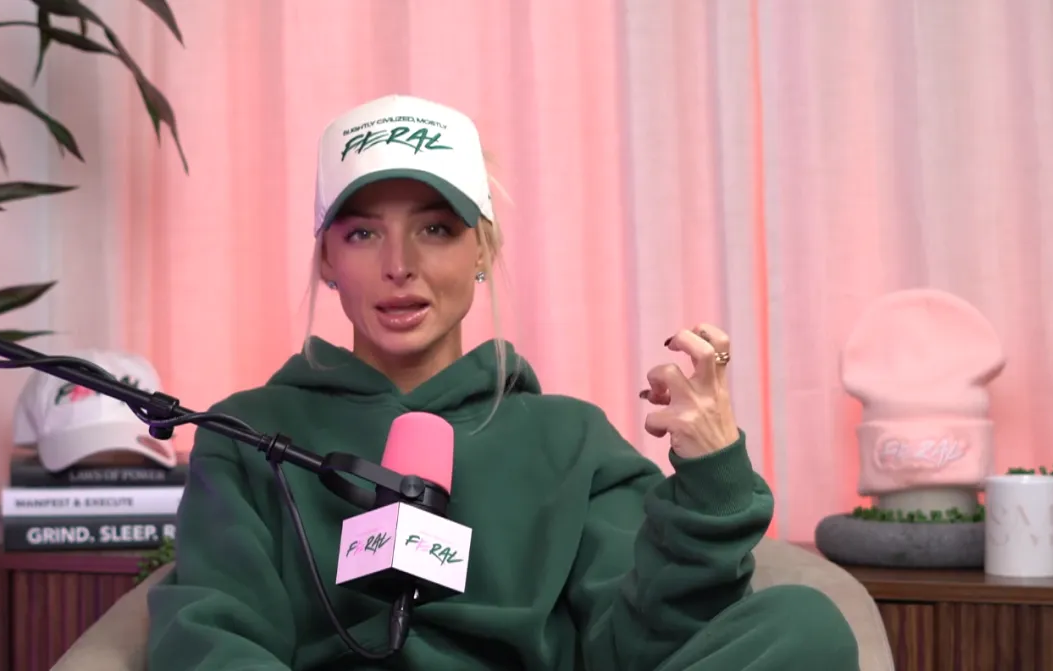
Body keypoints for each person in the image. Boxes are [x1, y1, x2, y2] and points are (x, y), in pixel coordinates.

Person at [146, 94, 859, 671]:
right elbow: (211, 629)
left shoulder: (571, 438)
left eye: (436, 229)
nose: (400, 264)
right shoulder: (245, 433)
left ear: (484, 247)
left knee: (804, 625)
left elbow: (636, 646)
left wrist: (712, 475)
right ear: (326, 259)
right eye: (363, 234)